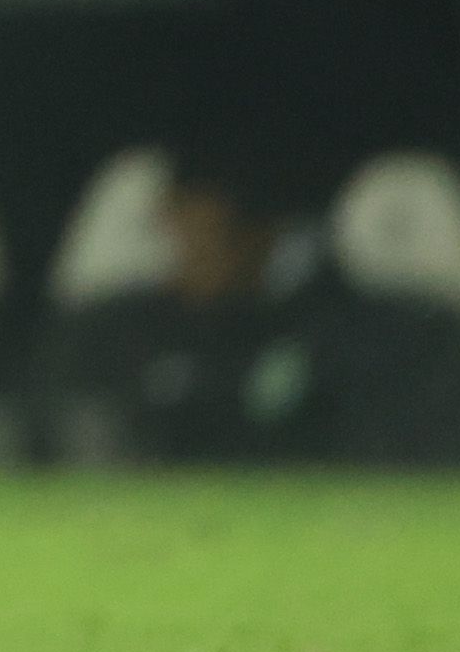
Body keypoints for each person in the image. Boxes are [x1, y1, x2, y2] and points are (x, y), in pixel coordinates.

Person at [39, 147, 356, 467]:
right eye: (186, 232)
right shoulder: (113, 327)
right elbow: (69, 429)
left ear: (261, 238)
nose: (196, 249)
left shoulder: (307, 326)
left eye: (217, 236)